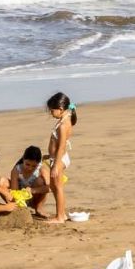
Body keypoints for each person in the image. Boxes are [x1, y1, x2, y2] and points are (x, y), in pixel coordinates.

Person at [43, 93, 77, 223]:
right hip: (56, 157)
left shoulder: (64, 125)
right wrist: (49, 155)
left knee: (58, 186)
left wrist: (56, 165)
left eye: (52, 110)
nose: (51, 113)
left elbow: (62, 146)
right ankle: (61, 213)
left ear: (61, 109)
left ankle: (60, 216)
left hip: (59, 158)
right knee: (53, 185)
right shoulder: (64, 119)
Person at [9, 146, 54, 220]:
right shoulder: (17, 170)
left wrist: (33, 190)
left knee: (40, 181)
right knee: (1, 181)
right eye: (27, 164)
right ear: (23, 160)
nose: (30, 168)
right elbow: (14, 190)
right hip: (21, 198)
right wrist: (20, 198)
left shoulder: (41, 169)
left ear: (38, 163)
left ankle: (39, 208)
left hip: (35, 198)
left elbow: (50, 188)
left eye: (34, 166)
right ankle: (17, 208)